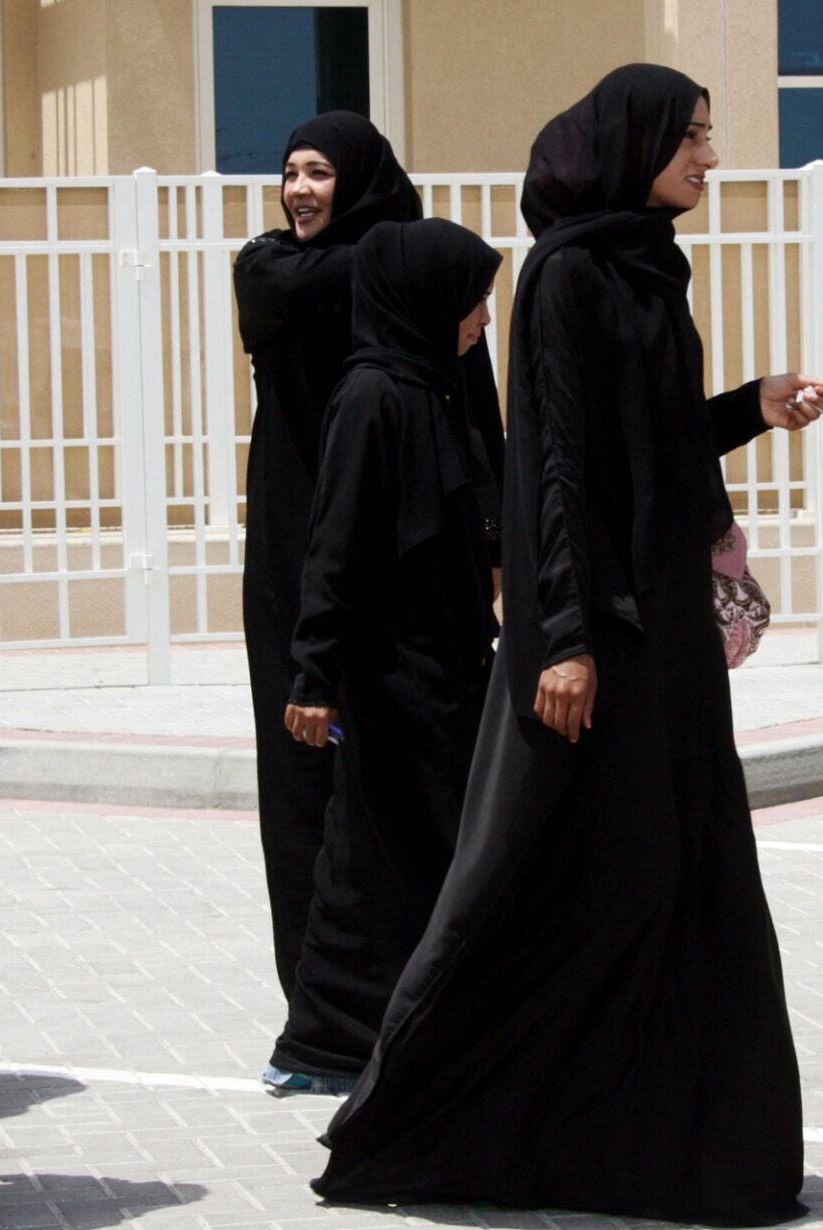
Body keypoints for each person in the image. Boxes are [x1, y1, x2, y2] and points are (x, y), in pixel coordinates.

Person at [314, 65, 823, 1225]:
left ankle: (682, 1147)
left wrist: (758, 401)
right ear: (635, 141)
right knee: (556, 877)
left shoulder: (649, 269)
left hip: (666, 646)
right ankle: (454, 1118)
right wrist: (561, 638)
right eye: (693, 137)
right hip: (596, 641)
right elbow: (551, 467)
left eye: (711, 137)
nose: (710, 157)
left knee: (681, 875)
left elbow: (648, 443)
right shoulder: (567, 277)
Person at [266, 218, 504, 1095]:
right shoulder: (373, 397)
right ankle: (329, 1044)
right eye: (471, 297)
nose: (482, 315)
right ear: (425, 299)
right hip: (392, 676)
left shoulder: (428, 387)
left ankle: (354, 1038)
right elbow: (336, 544)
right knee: (378, 856)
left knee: (391, 855)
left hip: (443, 668)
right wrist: (315, 674)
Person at [233, 113, 422, 1014]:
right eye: (290, 170)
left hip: (393, 540)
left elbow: (471, 397)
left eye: (320, 173)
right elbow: (290, 283)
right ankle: (315, 993)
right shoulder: (271, 266)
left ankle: (403, 977)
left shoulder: (402, 269)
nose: (299, 189)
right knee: (302, 759)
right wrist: (400, 259)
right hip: (290, 538)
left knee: (394, 754)